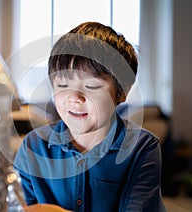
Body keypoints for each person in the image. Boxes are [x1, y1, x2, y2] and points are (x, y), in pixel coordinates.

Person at [14, 22, 166, 211]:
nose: (75, 98)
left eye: (92, 86)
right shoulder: (33, 147)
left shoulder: (142, 147)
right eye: (62, 85)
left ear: (122, 92)